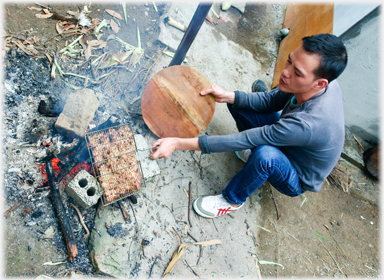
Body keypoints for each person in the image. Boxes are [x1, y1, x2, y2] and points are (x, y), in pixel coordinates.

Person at [149, 33, 348, 218]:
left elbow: (245, 139)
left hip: (295, 174)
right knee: (238, 102)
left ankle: (232, 200)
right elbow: (271, 101)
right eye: (289, 60)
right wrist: (228, 96)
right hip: (288, 139)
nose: (285, 72)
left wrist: (177, 143)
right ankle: (256, 157)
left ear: (320, 84)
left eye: (296, 72)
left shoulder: (308, 123)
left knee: (265, 156)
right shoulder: (313, 81)